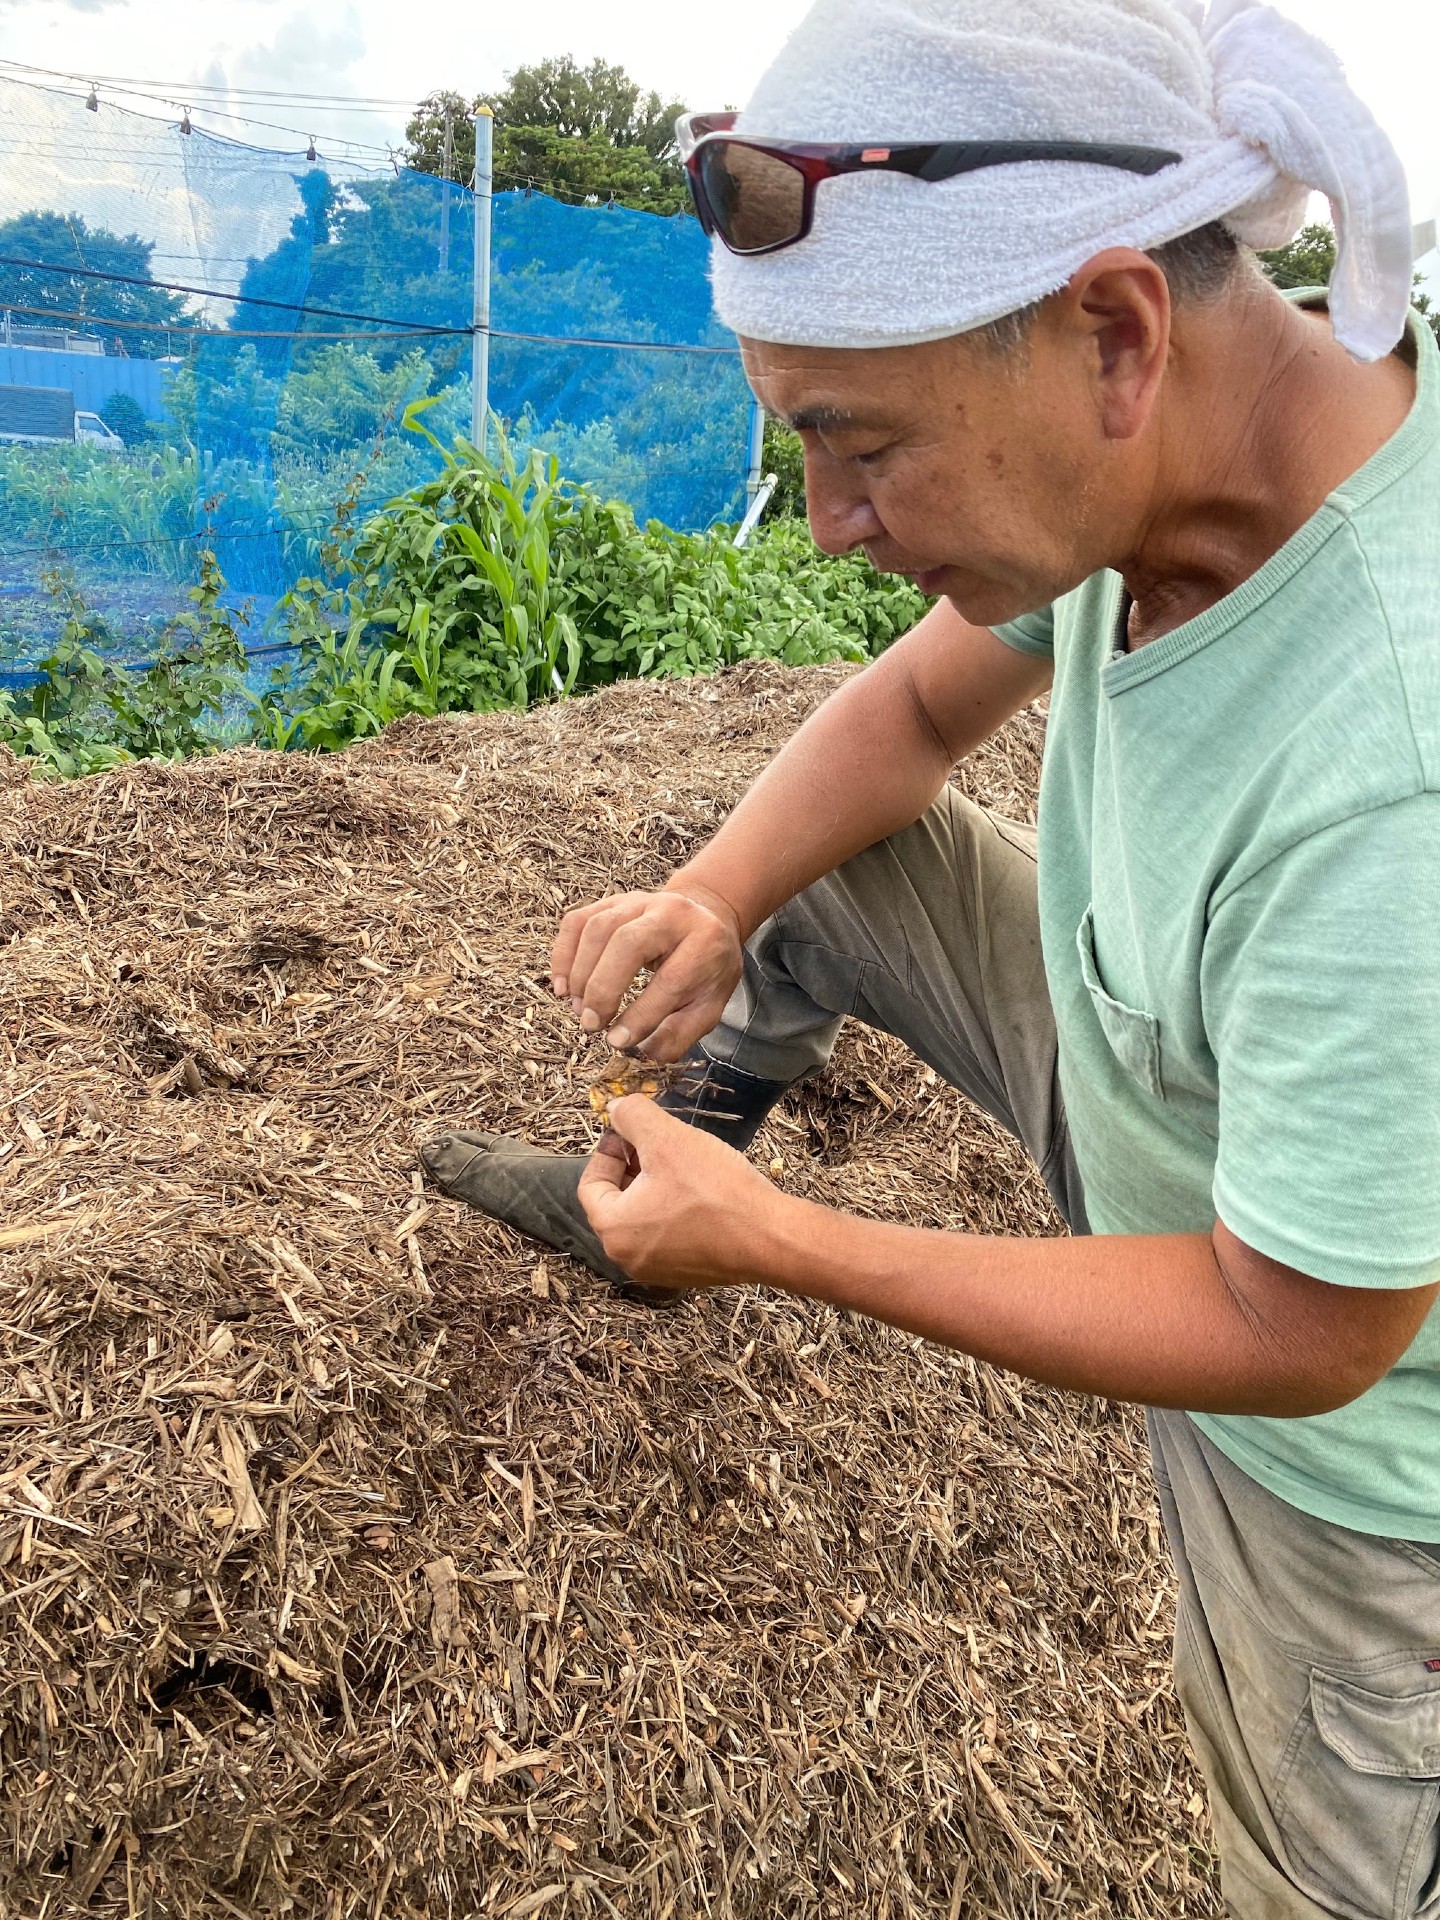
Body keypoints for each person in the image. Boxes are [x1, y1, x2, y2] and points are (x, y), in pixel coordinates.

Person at [421, 0, 1440, 1910]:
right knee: (828, 851)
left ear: (1118, 332)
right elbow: (899, 723)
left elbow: (1301, 1331)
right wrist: (714, 897)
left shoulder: (1397, 761)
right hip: (1158, 1076)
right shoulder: (1170, 473)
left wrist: (784, 1245)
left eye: (856, 445)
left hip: (1353, 1457)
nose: (823, 528)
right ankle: (664, 1146)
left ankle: (708, 1208)